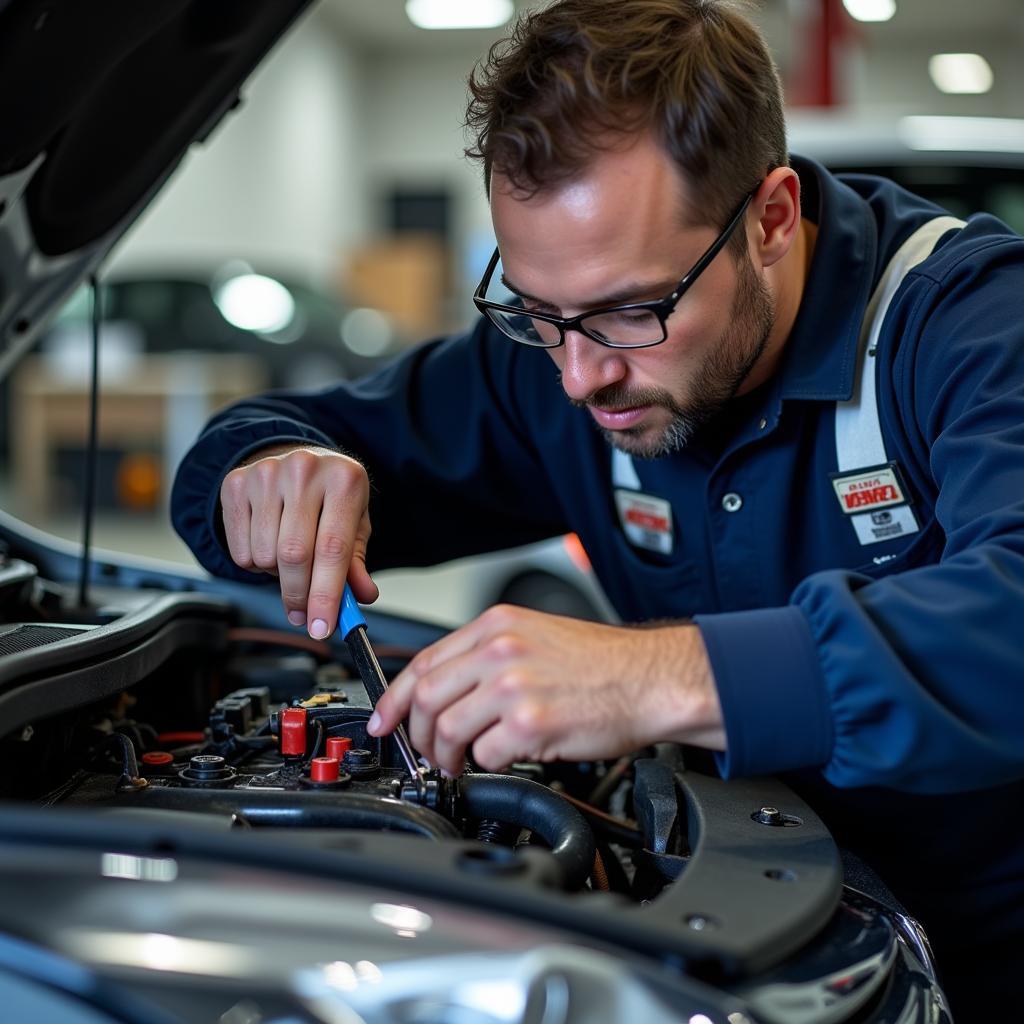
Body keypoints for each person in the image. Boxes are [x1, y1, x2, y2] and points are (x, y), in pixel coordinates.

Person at [172, 0, 1024, 1016]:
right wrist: (271, 461)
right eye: (537, 312)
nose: (581, 377)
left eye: (636, 308)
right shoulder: (561, 360)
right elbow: (245, 456)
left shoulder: (968, 324)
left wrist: (653, 674)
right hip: (751, 948)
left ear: (772, 217)